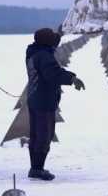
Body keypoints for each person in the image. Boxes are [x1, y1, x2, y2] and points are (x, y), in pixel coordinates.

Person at [25, 28, 86, 181]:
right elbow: (53, 74)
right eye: (52, 38)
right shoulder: (44, 56)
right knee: (44, 136)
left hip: (34, 97)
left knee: (36, 135)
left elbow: (50, 46)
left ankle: (35, 167)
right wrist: (72, 79)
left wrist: (59, 34)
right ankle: (37, 169)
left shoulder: (34, 51)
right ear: (47, 41)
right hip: (44, 99)